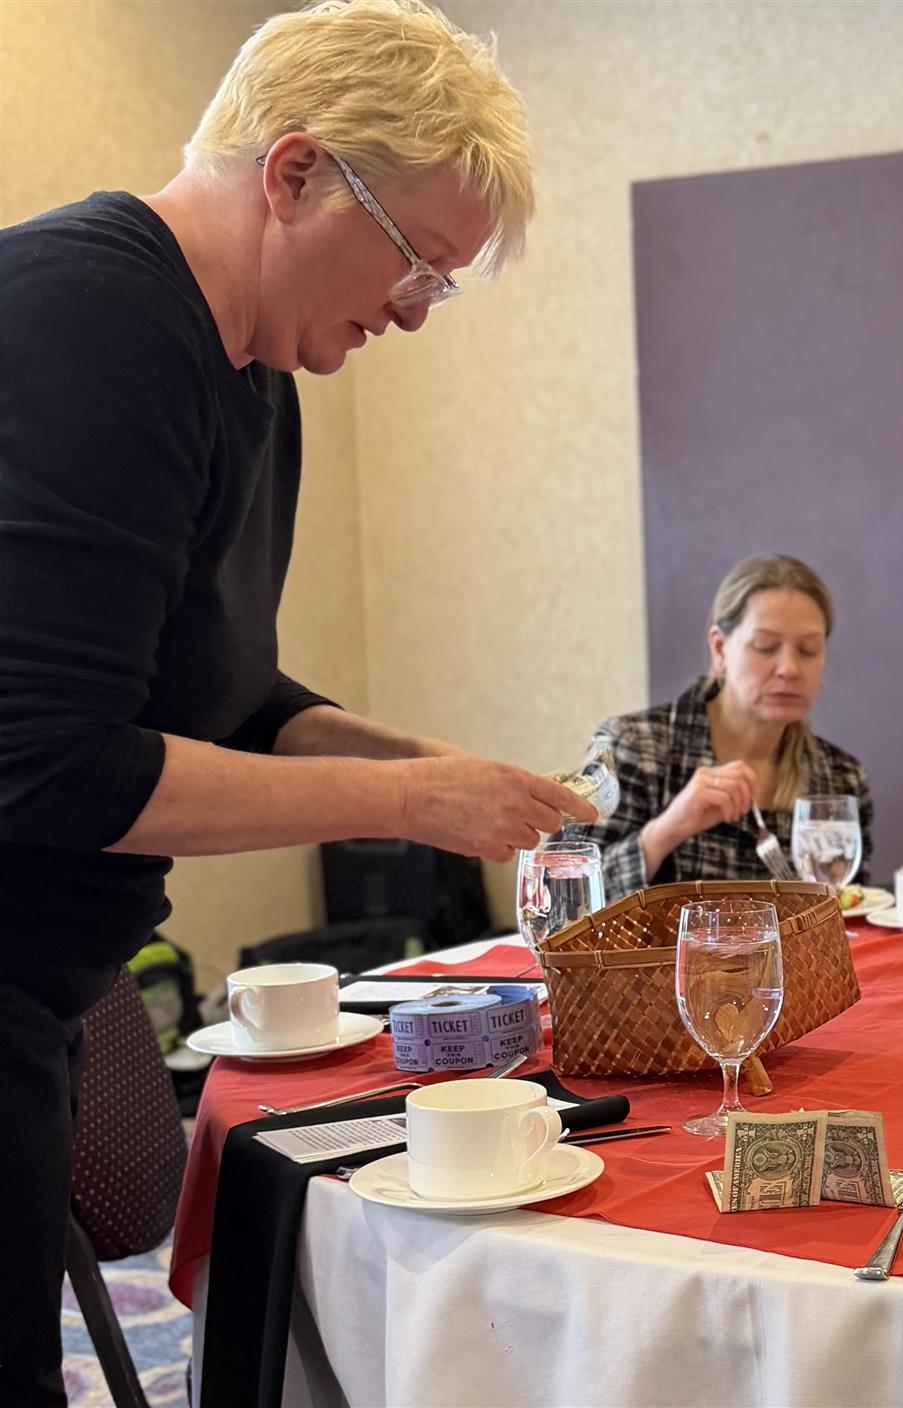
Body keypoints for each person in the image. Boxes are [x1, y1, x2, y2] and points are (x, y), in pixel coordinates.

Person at [0, 4, 588, 1399]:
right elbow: (50, 761)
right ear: (296, 171)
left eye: (441, 282)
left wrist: (442, 770)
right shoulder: (90, 322)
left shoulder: (256, 366)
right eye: (415, 259)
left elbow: (226, 694)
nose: (413, 309)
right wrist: (409, 799)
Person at [566, 553, 874, 898]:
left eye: (808, 650)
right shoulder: (633, 746)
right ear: (720, 649)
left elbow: (852, 909)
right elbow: (562, 898)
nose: (789, 668)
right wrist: (667, 829)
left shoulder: (840, 777)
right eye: (765, 647)